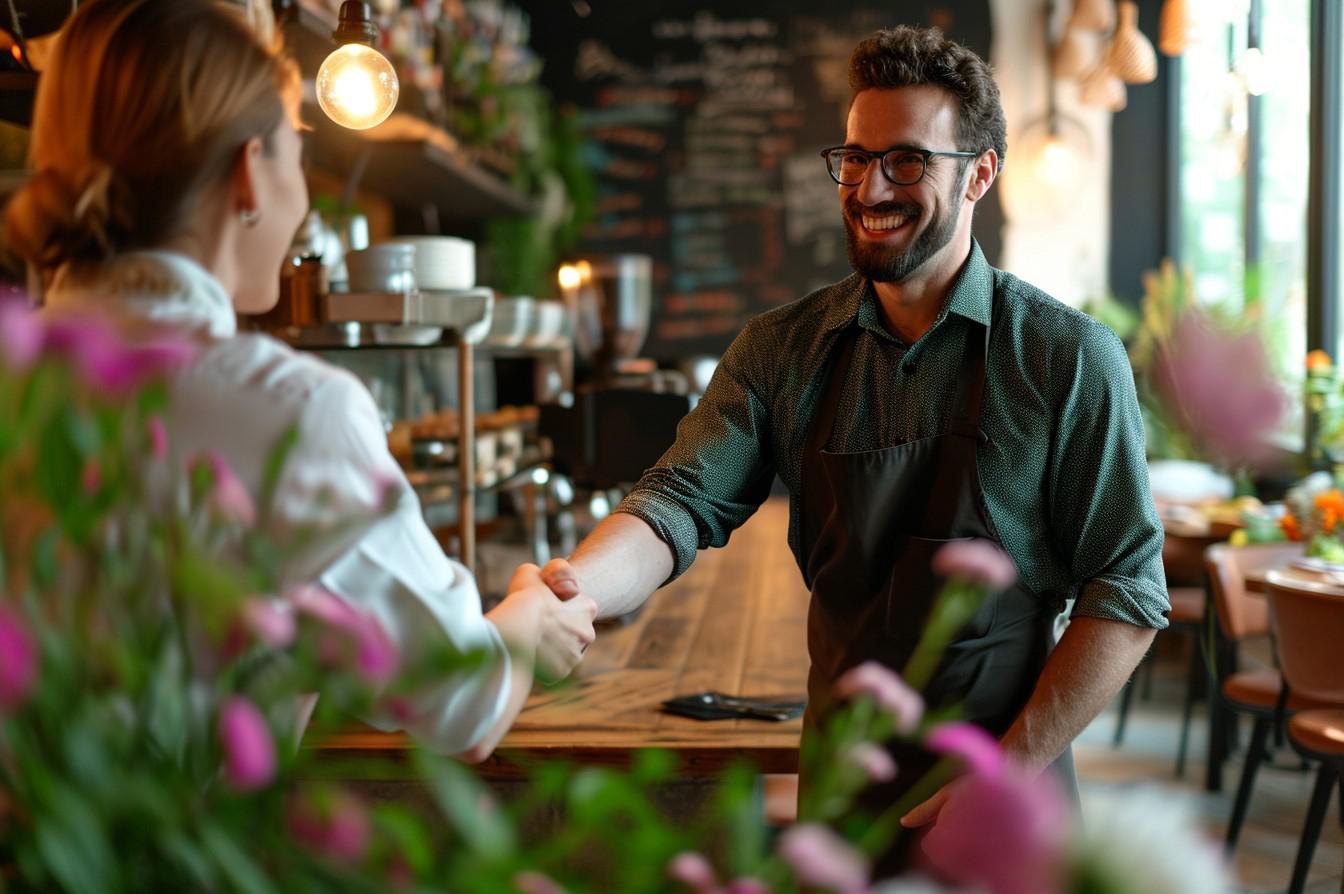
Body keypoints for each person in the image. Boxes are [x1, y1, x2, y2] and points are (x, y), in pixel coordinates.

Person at [540, 24, 1168, 862]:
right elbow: (677, 502)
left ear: (980, 172)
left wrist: (1006, 770)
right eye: (856, 157)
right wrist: (574, 589)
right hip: (841, 799)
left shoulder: (1064, 358)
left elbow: (1128, 587)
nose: (870, 186)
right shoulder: (780, 349)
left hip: (1007, 799)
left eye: (907, 160)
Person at [4, 0, 596, 762]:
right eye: (298, 151)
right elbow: (466, 699)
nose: (304, 196)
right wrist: (527, 615)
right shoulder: (291, 412)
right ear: (249, 174)